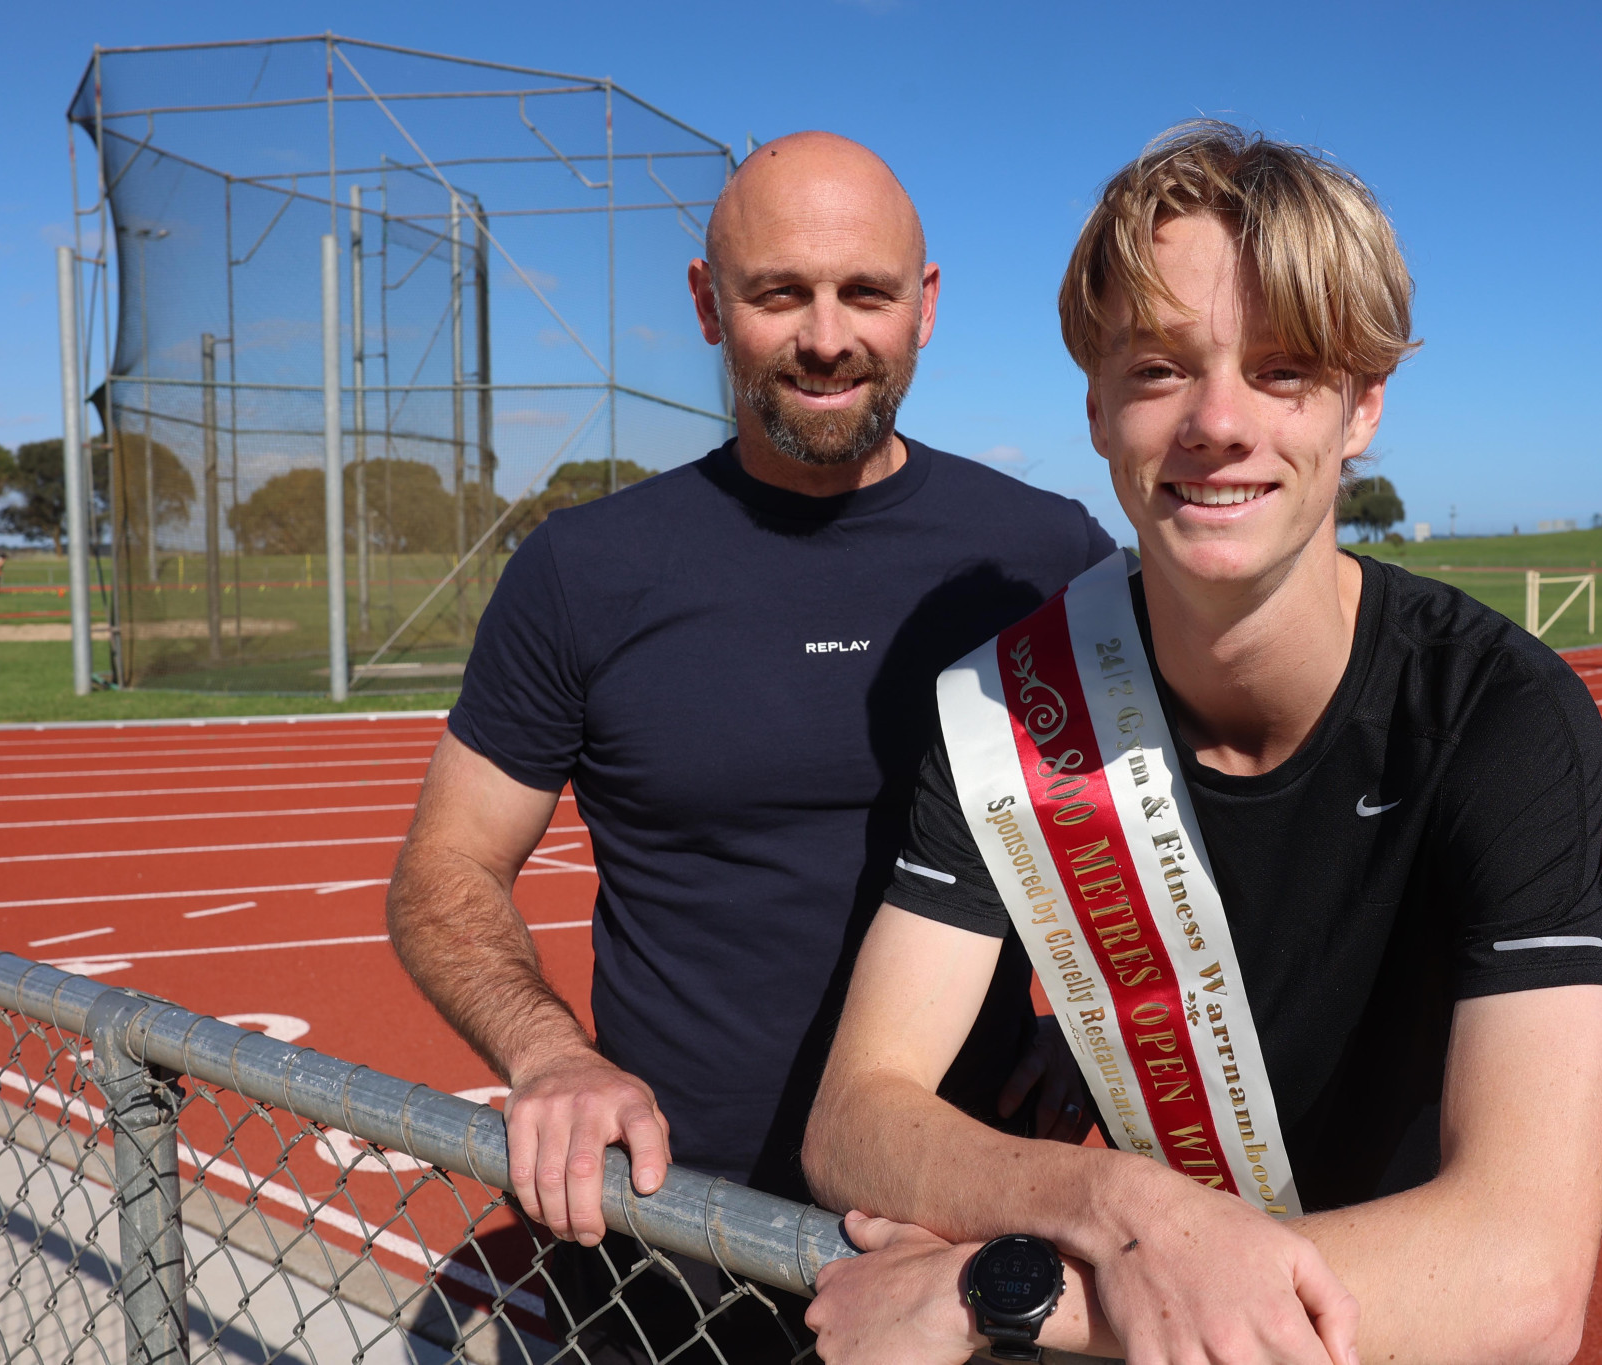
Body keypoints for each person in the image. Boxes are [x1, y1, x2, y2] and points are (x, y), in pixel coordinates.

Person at [801, 122, 1602, 1365]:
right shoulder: (1004, 711)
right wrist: (1122, 1214)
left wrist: (999, 1293)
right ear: (1094, 407)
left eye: (1284, 368)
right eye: (1159, 368)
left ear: (1361, 406)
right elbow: (853, 1121)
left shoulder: (1498, 717)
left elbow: (1523, 1281)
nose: (1218, 422)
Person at [386, 132, 1112, 1363]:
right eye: (779, 292)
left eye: (865, 293)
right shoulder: (584, 571)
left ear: (923, 306)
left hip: (947, 1238)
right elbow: (441, 875)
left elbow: (1178, 841)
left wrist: (1097, 1036)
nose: (825, 337)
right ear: (708, 303)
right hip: (668, 1233)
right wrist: (550, 1056)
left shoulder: (1043, 559)